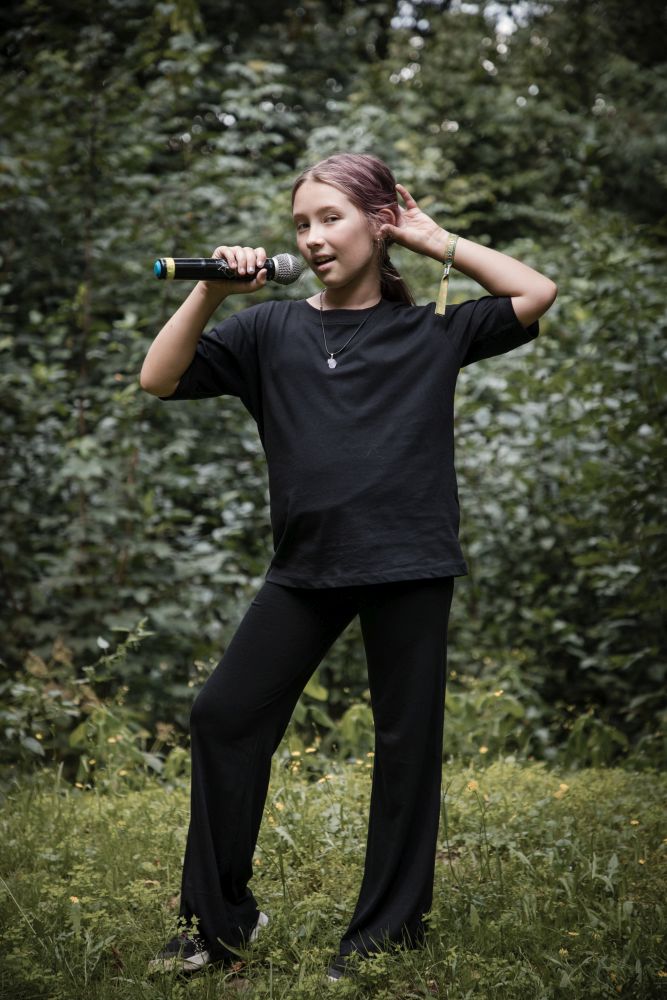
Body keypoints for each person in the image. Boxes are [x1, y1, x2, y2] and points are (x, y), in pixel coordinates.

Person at [140, 152, 557, 982]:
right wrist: (212, 290)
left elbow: (534, 291)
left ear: (379, 222)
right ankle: (217, 924)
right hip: (304, 567)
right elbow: (159, 378)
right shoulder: (268, 330)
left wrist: (434, 240)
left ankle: (382, 939)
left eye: (331, 217)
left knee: (406, 749)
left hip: (409, 562)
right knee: (223, 715)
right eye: (301, 223)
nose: (312, 237)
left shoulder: (433, 329)